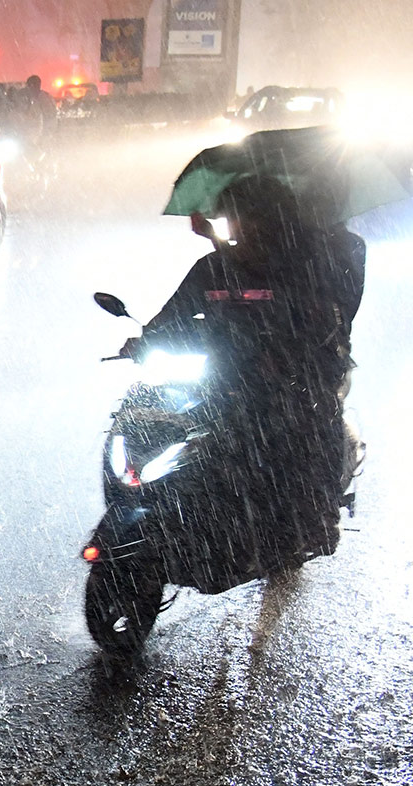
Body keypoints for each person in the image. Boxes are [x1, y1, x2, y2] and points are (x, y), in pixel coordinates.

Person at [122, 175, 366, 559]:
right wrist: (146, 340)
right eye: (232, 218)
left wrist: (289, 353)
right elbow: (175, 314)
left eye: (250, 219)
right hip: (226, 377)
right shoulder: (214, 266)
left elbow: (319, 321)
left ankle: (318, 518)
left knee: (309, 428)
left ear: (276, 221)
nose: (239, 227)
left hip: (294, 380)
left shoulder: (305, 266)